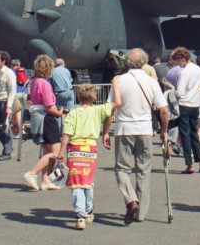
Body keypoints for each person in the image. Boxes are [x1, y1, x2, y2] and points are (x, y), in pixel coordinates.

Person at [108, 48, 168, 225]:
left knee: (122, 169)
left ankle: (131, 200)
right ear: (144, 62)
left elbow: (111, 108)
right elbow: (163, 110)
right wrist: (164, 131)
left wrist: (105, 132)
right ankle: (140, 213)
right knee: (143, 170)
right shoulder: (151, 81)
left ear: (127, 62)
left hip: (124, 128)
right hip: (145, 129)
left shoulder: (119, 81)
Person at [58, 84, 113, 230]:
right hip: (90, 149)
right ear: (94, 97)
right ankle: (88, 211)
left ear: (79, 97)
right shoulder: (98, 111)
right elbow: (115, 105)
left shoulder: (73, 114)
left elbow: (66, 134)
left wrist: (61, 151)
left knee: (76, 182)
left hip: (74, 150)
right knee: (88, 180)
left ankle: (80, 215)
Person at [23, 55, 66, 191]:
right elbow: (48, 106)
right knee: (56, 152)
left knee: (47, 151)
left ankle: (46, 180)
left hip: (37, 117)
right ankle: (32, 173)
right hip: (46, 118)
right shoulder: (45, 84)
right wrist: (59, 112)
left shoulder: (34, 81)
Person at [172, 47, 200, 172]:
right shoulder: (197, 69)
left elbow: (180, 92)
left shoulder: (184, 72)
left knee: (185, 135)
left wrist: (172, 91)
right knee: (194, 134)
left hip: (184, 104)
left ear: (182, 59)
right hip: (195, 104)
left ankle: (189, 164)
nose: (177, 64)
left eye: (177, 60)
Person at [0, 51, 17, 161]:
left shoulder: (9, 73)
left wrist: (9, 107)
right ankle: (8, 145)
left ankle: (7, 151)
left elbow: (12, 90)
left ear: (3, 61)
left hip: (6, 101)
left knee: (5, 127)